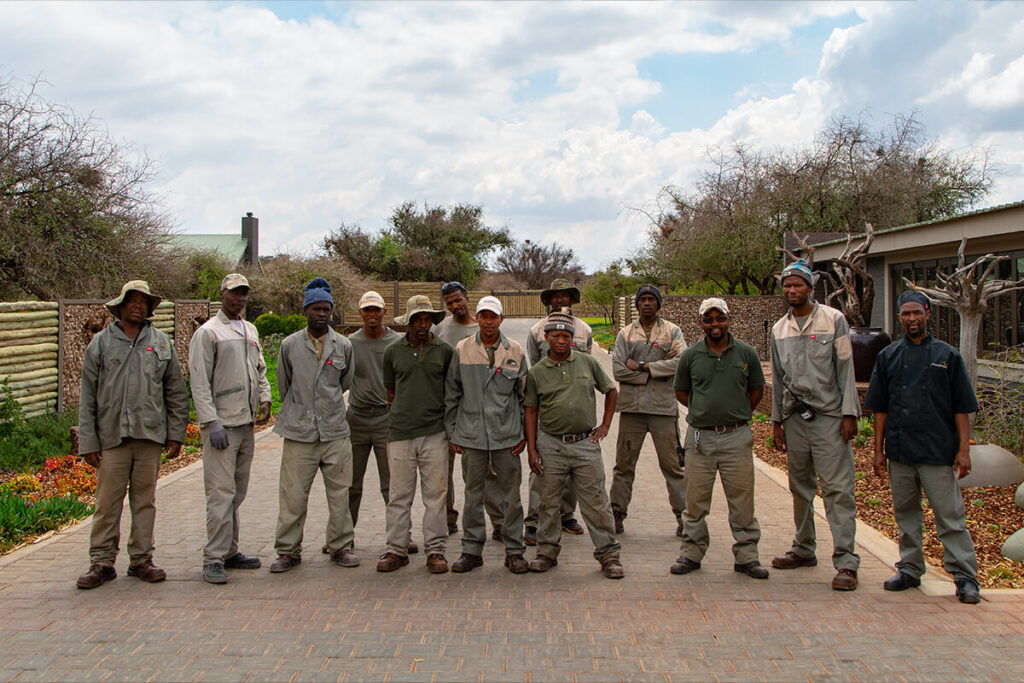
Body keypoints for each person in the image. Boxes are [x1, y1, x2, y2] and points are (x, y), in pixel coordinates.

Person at [864, 291, 981, 604]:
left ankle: (965, 576)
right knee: (905, 514)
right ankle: (911, 568)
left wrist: (963, 449)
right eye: (906, 314)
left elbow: (962, 406)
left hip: (938, 451)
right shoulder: (888, 357)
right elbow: (879, 408)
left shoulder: (947, 356)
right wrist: (878, 449)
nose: (912, 319)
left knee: (949, 515)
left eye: (917, 312)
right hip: (900, 450)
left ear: (928, 313)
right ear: (900, 317)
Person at [76, 281, 189, 589]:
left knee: (144, 502)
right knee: (107, 503)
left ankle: (141, 560)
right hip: (112, 437)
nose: (138, 306)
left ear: (150, 308)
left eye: (143, 302)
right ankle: (101, 562)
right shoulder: (101, 343)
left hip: (149, 437)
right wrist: (88, 442)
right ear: (121, 306)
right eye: (132, 301)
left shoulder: (162, 343)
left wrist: (176, 434)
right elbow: (87, 396)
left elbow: (176, 391)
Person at [769, 259, 861, 591]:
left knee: (837, 489)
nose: (792, 290)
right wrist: (777, 420)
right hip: (795, 419)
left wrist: (849, 413)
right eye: (787, 285)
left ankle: (847, 562)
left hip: (830, 418)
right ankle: (804, 549)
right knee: (800, 487)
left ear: (810, 287)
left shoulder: (833, 321)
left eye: (798, 284)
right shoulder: (779, 329)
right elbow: (778, 380)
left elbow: (845, 369)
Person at [671, 298, 769, 579]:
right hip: (700, 438)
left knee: (742, 499)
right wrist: (705, 412)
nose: (715, 325)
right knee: (695, 501)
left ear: (729, 319)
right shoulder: (691, 356)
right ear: (700, 323)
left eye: (720, 318)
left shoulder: (746, 354)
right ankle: (691, 552)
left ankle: (747, 556)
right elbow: (681, 392)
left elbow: (756, 391)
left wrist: (735, 415)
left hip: (736, 437)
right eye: (709, 320)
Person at [525, 310, 624, 579]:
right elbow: (531, 411)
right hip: (550, 444)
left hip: (584, 444)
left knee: (596, 502)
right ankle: (546, 552)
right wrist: (532, 449)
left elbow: (611, 391)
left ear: (572, 339)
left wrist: (604, 426)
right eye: (555, 335)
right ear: (545, 338)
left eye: (566, 336)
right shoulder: (536, 373)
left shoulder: (587, 363)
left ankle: (609, 555)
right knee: (548, 501)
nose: (560, 340)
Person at [270, 278, 359, 573]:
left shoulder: (343, 345)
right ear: (305, 310)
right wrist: (303, 410)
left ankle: (340, 546)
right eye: (316, 309)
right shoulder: (289, 345)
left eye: (326, 309)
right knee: (293, 496)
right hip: (299, 433)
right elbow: (285, 386)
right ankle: (288, 551)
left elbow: (346, 383)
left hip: (335, 431)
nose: (322, 314)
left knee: (340, 495)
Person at [189, 273, 272, 584]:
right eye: (234, 293)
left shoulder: (249, 329)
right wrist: (211, 422)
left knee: (236, 492)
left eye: (243, 294)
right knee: (220, 495)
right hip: (221, 427)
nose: (239, 299)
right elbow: (198, 381)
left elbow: (259, 367)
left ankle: (230, 551)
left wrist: (264, 398)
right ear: (221, 294)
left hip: (245, 424)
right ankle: (213, 558)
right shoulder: (208, 333)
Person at [445, 296, 530, 574]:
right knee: (472, 495)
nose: (488, 321)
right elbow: (452, 394)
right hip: (471, 436)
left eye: (493, 317)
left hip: (507, 437)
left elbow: (524, 397)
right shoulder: (462, 349)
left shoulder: (515, 351)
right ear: (477, 318)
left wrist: (522, 435)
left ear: (501, 319)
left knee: (512, 497)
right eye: (483, 316)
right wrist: (453, 432)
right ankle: (471, 550)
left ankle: (515, 550)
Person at [377, 295, 454, 574]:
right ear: (408, 323)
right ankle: (396, 549)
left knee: (435, 495)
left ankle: (435, 550)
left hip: (435, 432)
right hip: (400, 433)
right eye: (417, 320)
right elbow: (391, 391)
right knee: (399, 495)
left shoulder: (444, 351)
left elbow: (451, 391)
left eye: (427, 320)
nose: (423, 325)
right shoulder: (393, 352)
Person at [610, 284, 687, 536]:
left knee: (673, 466)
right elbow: (619, 370)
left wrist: (643, 367)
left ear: (658, 304)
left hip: (663, 410)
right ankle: (617, 514)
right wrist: (656, 372)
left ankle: (685, 518)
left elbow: (679, 363)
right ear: (637, 304)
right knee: (624, 465)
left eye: (651, 300)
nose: (646, 303)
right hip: (632, 409)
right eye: (642, 299)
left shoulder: (671, 331)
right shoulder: (625, 333)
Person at [346, 291, 418, 552]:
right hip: (356, 417)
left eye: (376, 309)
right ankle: (342, 536)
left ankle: (401, 536)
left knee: (393, 485)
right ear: (360, 313)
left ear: (384, 312)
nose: (372, 315)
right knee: (351, 484)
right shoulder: (350, 343)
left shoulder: (396, 342)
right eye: (367, 310)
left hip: (386, 418)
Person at [523, 278, 591, 543]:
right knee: (541, 466)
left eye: (565, 296)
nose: (560, 301)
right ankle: (534, 519)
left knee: (573, 467)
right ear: (548, 301)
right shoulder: (536, 331)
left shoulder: (584, 330)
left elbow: (589, 368)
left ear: (572, 300)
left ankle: (566, 515)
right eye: (555, 297)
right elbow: (534, 369)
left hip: (577, 407)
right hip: (548, 409)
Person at [434, 281, 502, 538]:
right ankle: (447, 519)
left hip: (478, 411)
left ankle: (499, 522)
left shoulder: (483, 327)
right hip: (447, 409)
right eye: (449, 303)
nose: (455, 306)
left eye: (458, 300)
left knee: (486, 471)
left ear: (467, 298)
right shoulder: (441, 330)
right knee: (443, 469)